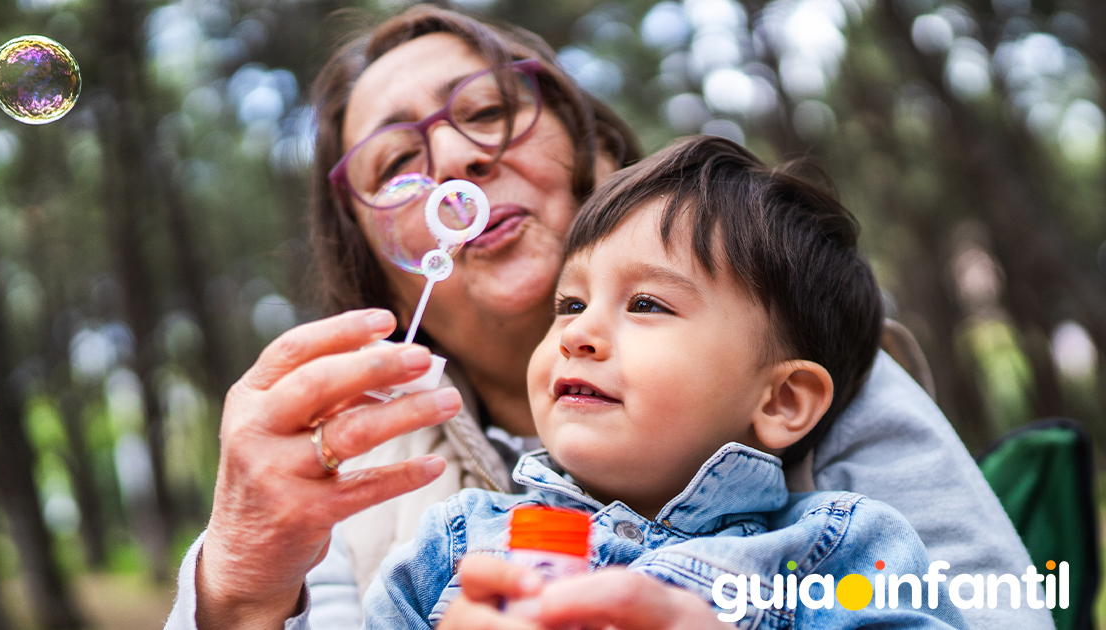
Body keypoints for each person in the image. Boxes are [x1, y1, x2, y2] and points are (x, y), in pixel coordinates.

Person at [166, 6, 1050, 630]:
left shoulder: (796, 368)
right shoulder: (367, 487)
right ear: (380, 272)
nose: (456, 161)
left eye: (487, 111)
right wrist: (235, 595)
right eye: (398, 162)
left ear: (602, 157)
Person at [364, 136, 966, 629]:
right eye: (570, 304)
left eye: (647, 303)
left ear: (782, 400)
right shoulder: (453, 544)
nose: (578, 333)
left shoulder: (833, 552)